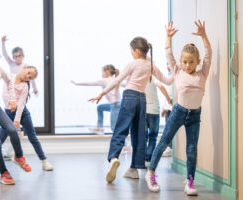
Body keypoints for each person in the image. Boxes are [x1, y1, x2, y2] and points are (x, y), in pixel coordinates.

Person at [89, 36, 173, 183]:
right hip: (142, 99)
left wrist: (101, 93)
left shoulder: (133, 64)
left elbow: (117, 80)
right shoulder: (151, 65)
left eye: (131, 50)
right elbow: (166, 81)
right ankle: (134, 169)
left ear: (137, 50)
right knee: (139, 134)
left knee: (120, 129)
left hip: (129, 97)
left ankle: (114, 157)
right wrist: (178, 72)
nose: (131, 53)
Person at [145, 20, 212, 196]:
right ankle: (150, 173)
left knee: (191, 149)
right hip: (178, 112)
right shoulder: (177, 71)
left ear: (197, 62)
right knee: (164, 142)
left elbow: (208, 53)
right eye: (184, 62)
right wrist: (167, 37)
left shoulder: (202, 73)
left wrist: (204, 35)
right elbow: (168, 53)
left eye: (191, 62)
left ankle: (190, 182)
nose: (187, 65)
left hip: (195, 115)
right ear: (180, 62)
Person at [0, 66, 53, 171]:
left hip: (22, 114)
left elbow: (21, 105)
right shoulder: (9, 78)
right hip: (8, 113)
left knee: (33, 137)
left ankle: (44, 161)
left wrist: (17, 120)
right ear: (24, 68)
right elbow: (3, 93)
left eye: (30, 78)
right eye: (29, 73)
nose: (28, 76)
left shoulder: (25, 86)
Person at [0, 42, 31, 185]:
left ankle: (19, 157)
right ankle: (4, 173)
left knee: (12, 129)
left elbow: (9, 81)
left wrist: (12, 99)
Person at [71, 64, 121, 134]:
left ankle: (126, 144)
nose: (102, 74)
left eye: (102, 72)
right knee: (100, 107)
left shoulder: (105, 80)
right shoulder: (115, 80)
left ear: (107, 72)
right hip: (117, 104)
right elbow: (125, 84)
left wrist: (76, 83)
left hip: (115, 106)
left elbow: (89, 83)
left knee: (114, 128)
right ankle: (99, 128)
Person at [145, 76, 173, 167]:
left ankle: (142, 159)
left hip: (143, 110)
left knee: (143, 136)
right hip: (154, 110)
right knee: (152, 136)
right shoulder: (152, 78)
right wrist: (168, 99)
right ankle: (148, 159)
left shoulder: (140, 78)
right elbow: (161, 86)